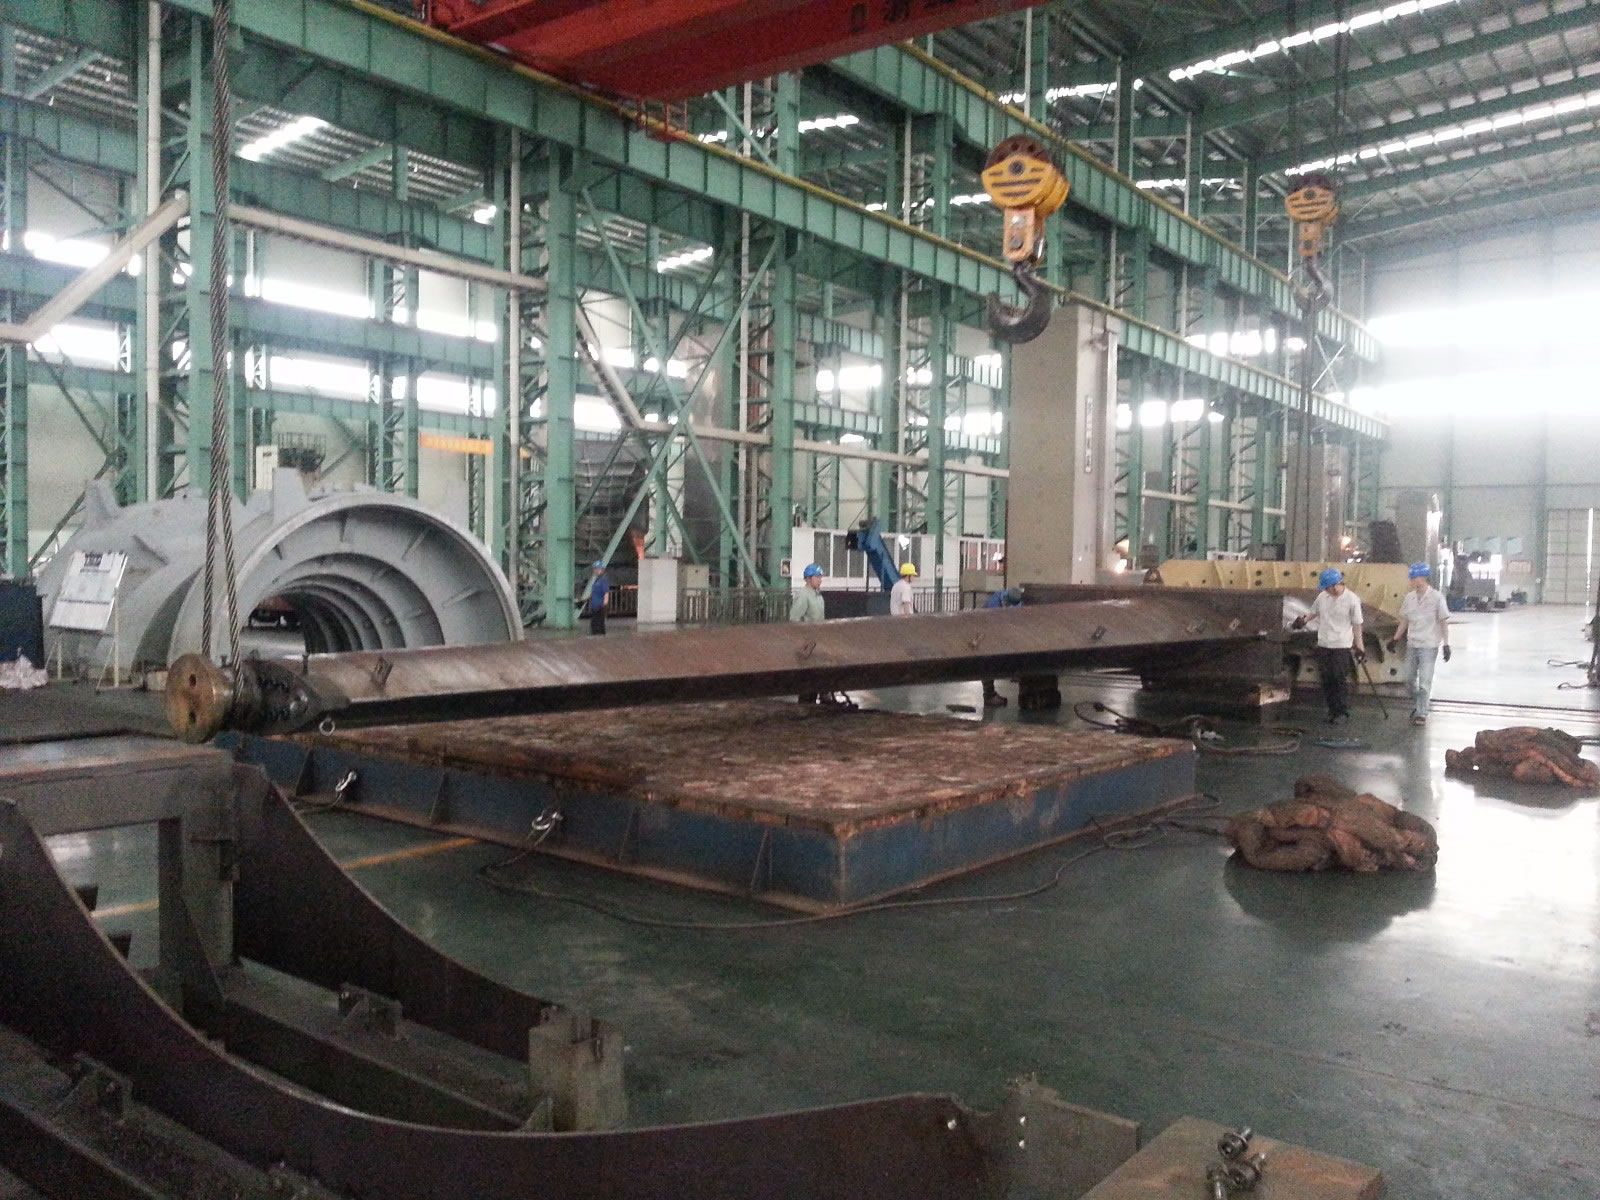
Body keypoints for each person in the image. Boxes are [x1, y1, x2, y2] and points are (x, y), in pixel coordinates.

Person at [1292, 567, 1365, 724]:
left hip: (1341, 646)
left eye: (1327, 588)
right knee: (1327, 679)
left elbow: (1357, 625)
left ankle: (1341, 712)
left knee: (1338, 679)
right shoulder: (1323, 597)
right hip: (1324, 644)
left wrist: (1360, 647)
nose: (1326, 591)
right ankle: (1332, 710)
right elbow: (1314, 612)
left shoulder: (1352, 600)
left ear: (1336, 585)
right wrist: (1303, 620)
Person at [1388, 562, 1452, 727]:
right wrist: (1395, 639)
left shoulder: (1437, 598)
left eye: (1415, 578)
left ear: (1423, 578)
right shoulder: (1409, 598)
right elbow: (1405, 620)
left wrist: (1446, 644)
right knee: (1408, 679)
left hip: (1429, 645)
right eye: (1412, 578)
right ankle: (1419, 705)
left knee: (1424, 682)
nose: (1413, 581)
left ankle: (1421, 713)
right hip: (1412, 644)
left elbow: (1443, 621)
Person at [980, 586, 1023, 707]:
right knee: (987, 663)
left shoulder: (1015, 600)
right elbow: (991, 628)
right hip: (986, 634)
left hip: (1000, 632)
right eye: (1008, 605)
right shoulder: (992, 605)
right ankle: (989, 696)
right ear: (1005, 601)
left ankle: (991, 694)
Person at [791, 563, 826, 704]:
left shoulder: (817, 595)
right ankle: (805, 705)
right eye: (817, 577)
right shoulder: (804, 596)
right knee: (808, 677)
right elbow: (794, 619)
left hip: (818, 641)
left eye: (820, 577)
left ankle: (814, 702)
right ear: (808, 578)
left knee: (817, 675)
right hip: (808, 643)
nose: (820, 580)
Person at [585, 561, 610, 635]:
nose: (596, 570)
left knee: (599, 624)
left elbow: (606, 592)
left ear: (601, 570)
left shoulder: (603, 580)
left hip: (600, 606)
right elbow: (594, 593)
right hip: (594, 606)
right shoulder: (596, 580)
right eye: (595, 569)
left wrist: (605, 604)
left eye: (598, 569)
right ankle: (597, 637)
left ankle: (601, 637)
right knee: (594, 624)